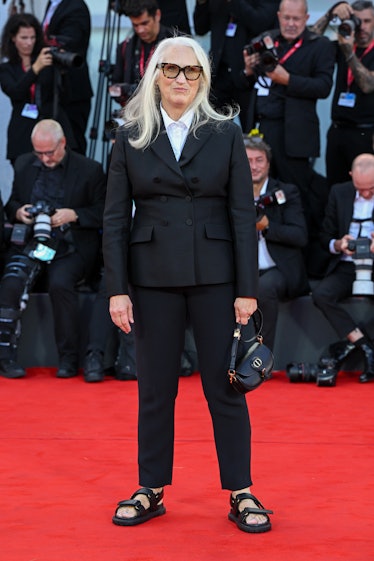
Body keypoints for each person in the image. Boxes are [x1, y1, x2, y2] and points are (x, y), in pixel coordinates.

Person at [103, 35, 273, 532]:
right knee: (155, 389)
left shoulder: (224, 132)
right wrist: (117, 288)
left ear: (203, 79)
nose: (181, 79)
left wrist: (247, 289)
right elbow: (114, 218)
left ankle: (241, 491)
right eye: (172, 70)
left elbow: (243, 214)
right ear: (155, 74)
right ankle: (150, 488)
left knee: (226, 388)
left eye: (191, 71)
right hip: (151, 279)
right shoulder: (130, 133)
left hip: (218, 278)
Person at [0, 119, 106, 379]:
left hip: (71, 245)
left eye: (50, 152)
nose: (45, 158)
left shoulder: (89, 170)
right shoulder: (25, 163)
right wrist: (19, 211)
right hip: (31, 241)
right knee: (11, 283)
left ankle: (68, 359)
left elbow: (104, 213)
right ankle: (6, 358)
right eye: (40, 153)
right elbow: (12, 202)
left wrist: (74, 215)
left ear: (63, 144)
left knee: (61, 284)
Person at [242, 0, 335, 235]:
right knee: (260, 194)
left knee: (297, 197)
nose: (291, 24)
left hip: (296, 136)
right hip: (261, 130)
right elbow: (246, 84)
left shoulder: (320, 45)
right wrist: (248, 70)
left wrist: (288, 80)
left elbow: (323, 86)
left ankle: (302, 259)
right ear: (278, 16)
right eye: (286, 18)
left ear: (306, 19)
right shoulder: (266, 40)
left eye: (296, 19)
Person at [312, 153, 374, 383]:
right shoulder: (340, 193)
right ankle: (365, 346)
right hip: (348, 265)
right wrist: (339, 244)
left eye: (372, 189)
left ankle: (362, 348)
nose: (366, 193)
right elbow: (325, 236)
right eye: (361, 188)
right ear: (351, 176)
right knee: (321, 294)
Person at [244, 134, 309, 351]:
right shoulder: (230, 194)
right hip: (242, 268)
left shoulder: (286, 193)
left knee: (263, 288)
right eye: (248, 160)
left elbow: (300, 235)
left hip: (278, 269)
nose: (254, 166)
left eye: (259, 160)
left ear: (268, 163)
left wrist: (268, 227)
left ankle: (262, 358)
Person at [311, 1, 374, 187]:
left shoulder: (348, 49)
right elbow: (310, 42)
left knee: (365, 187)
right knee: (336, 188)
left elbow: (368, 85)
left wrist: (349, 53)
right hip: (338, 130)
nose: (361, 27)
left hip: (365, 133)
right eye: (357, 21)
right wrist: (330, 14)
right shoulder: (342, 45)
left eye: (367, 21)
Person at [0, 12, 75, 165]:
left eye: (33, 38)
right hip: (22, 133)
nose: (29, 43)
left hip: (52, 125)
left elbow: (64, 92)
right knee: (26, 181)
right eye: (24, 38)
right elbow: (15, 91)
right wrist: (35, 69)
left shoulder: (46, 59)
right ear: (13, 38)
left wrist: (59, 63)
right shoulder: (7, 68)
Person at [193, 0, 280, 131]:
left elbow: (260, 23)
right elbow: (200, 28)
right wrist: (202, 3)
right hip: (220, 76)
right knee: (214, 133)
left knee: (252, 135)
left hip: (250, 76)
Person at [41, 0, 93, 155]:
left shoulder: (75, 6)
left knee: (72, 147)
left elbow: (69, 43)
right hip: (54, 91)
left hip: (72, 92)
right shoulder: (53, 4)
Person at [108, 0, 175, 108]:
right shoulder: (125, 46)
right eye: (135, 25)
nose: (140, 30)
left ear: (157, 15)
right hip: (134, 114)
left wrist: (133, 90)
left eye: (145, 23)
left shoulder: (177, 44)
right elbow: (115, 86)